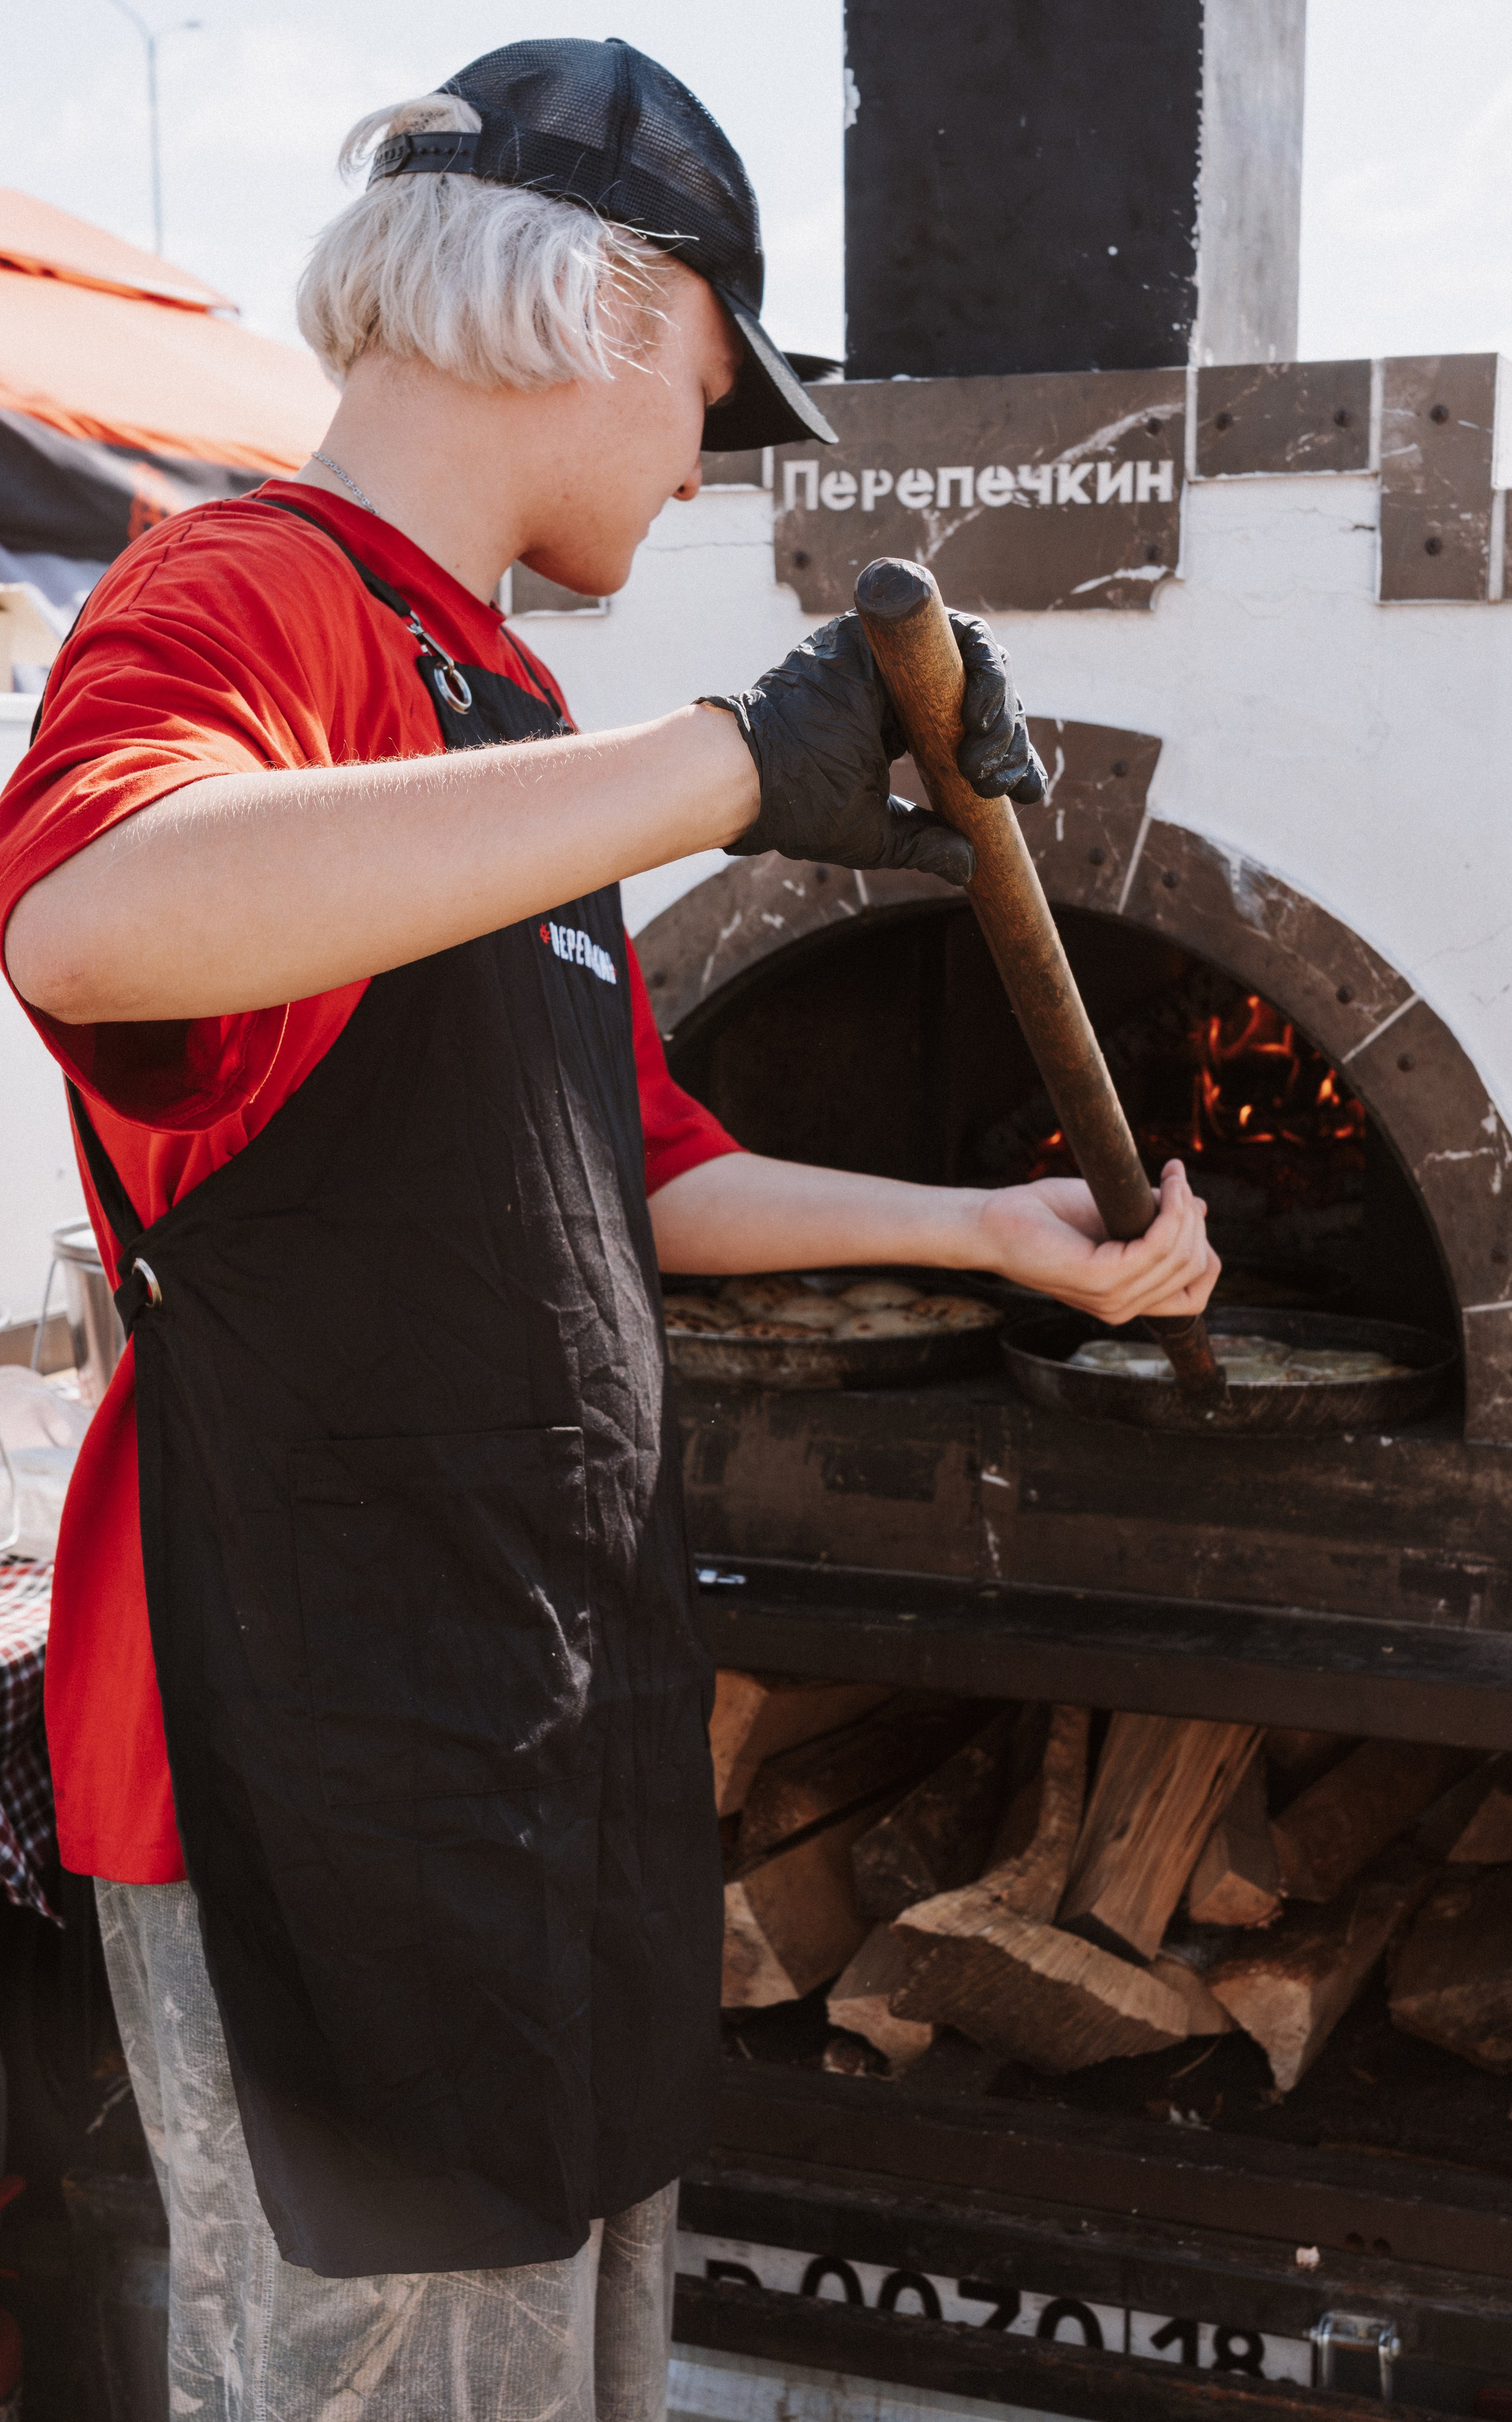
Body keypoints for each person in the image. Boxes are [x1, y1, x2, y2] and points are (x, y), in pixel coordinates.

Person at [0, 37, 1216, 2421]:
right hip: (308, 1729)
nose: (706, 454)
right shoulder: (237, 590)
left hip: (531, 1708)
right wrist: (730, 767)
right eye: (719, 393)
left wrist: (998, 1229)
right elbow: (88, 919)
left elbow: (630, 1170)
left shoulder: (507, 699)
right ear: (617, 305)